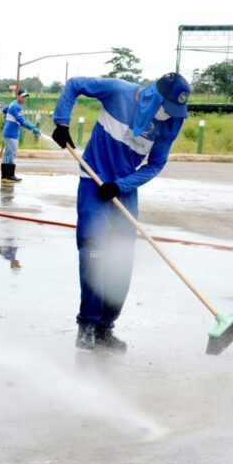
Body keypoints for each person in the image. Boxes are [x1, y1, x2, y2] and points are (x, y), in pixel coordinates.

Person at [51, 73, 190, 351]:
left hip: (123, 191)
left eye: (175, 110)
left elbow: (155, 165)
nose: (168, 114)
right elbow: (75, 84)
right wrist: (62, 122)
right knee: (94, 255)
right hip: (94, 184)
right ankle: (87, 325)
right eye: (166, 107)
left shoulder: (167, 125)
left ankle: (105, 327)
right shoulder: (117, 91)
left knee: (121, 260)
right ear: (154, 97)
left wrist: (122, 185)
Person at [0, 88, 40, 183]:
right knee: (11, 154)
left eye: (25, 97)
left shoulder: (13, 104)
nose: (24, 98)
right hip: (11, 133)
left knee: (7, 154)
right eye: (23, 96)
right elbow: (22, 121)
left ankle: (5, 176)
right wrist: (32, 128)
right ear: (17, 96)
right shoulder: (16, 106)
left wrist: (6, 118)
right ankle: (10, 176)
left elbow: (4, 110)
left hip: (9, 132)